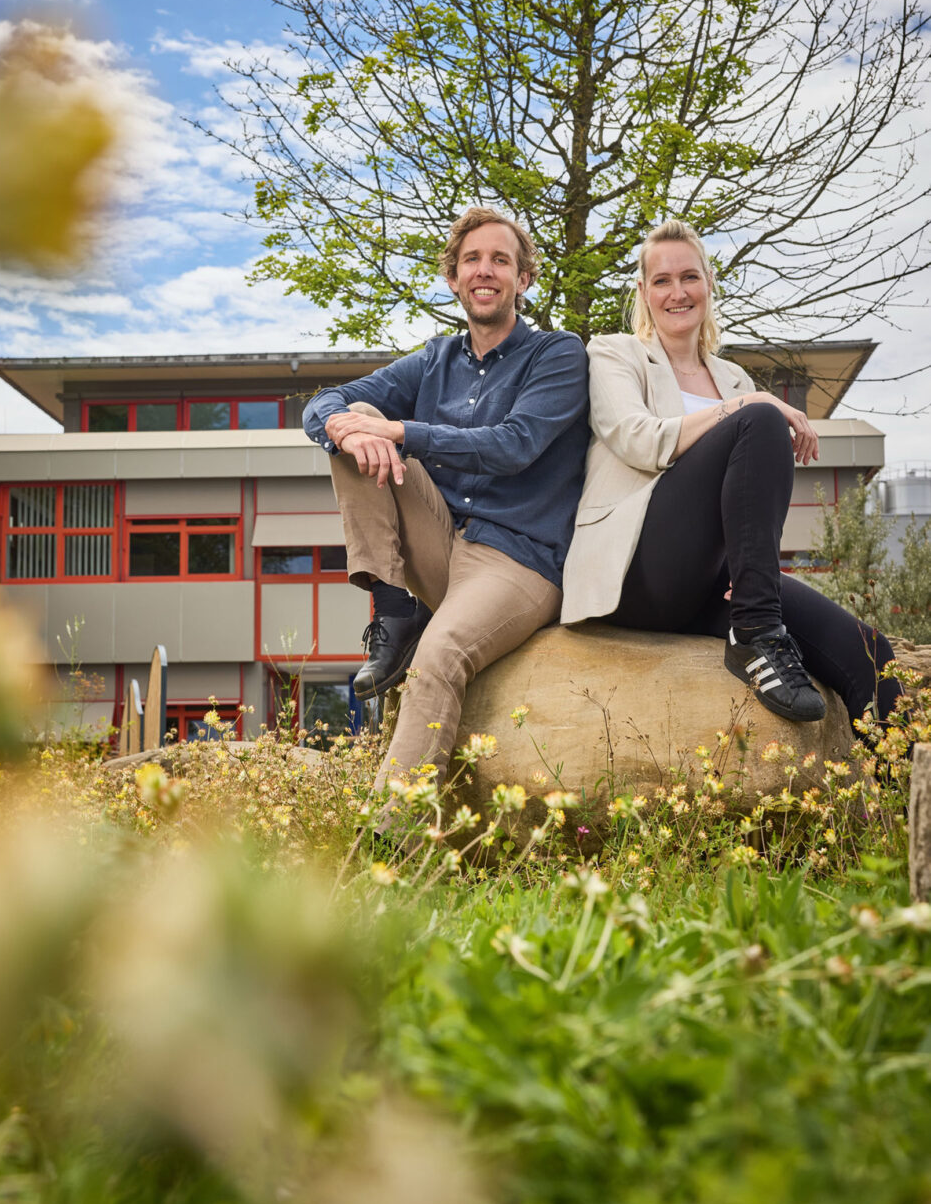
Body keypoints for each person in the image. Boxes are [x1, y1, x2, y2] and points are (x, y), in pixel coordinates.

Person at [561, 218, 901, 732]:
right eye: (662, 280)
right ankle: (757, 628)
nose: (678, 292)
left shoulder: (733, 378)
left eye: (689, 277)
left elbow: (748, 501)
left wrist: (749, 573)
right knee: (759, 419)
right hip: (636, 571)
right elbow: (639, 440)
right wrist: (749, 405)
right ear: (644, 292)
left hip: (711, 582)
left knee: (870, 653)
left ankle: (897, 777)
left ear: (708, 283)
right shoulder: (615, 353)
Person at [303, 206, 589, 791]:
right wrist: (345, 428)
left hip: (517, 560)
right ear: (453, 278)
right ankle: (394, 609)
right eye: (472, 260)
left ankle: (389, 832)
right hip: (441, 542)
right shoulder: (435, 358)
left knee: (438, 658)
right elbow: (324, 403)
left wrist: (401, 432)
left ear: (523, 279)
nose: (485, 270)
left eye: (500, 260)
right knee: (354, 419)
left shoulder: (558, 354)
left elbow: (515, 444)